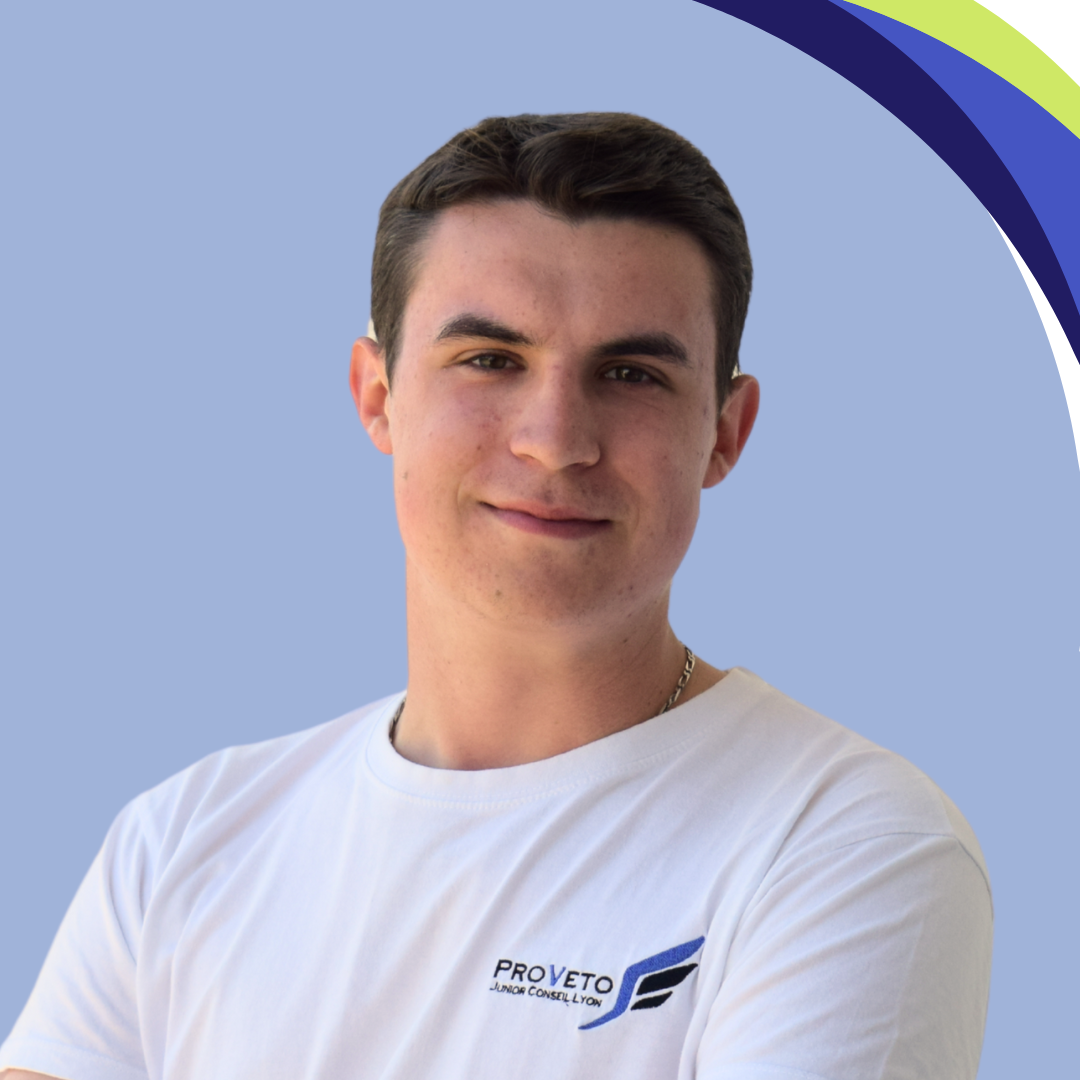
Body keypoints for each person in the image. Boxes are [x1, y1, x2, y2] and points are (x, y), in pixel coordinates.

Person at [0, 112, 992, 1080]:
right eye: (489, 360)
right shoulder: (182, 842)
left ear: (725, 433)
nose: (555, 439)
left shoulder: (846, 845)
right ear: (378, 395)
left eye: (632, 373)